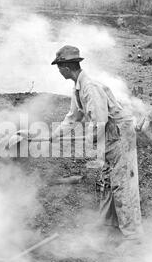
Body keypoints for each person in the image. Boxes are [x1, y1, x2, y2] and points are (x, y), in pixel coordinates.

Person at [49, 45, 143, 244]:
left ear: (66, 67)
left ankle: (133, 238)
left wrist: (87, 142)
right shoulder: (77, 88)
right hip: (108, 138)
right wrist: (55, 135)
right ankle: (110, 228)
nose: (58, 70)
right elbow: (72, 116)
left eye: (59, 66)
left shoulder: (90, 89)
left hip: (119, 137)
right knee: (107, 183)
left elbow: (98, 123)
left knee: (122, 184)